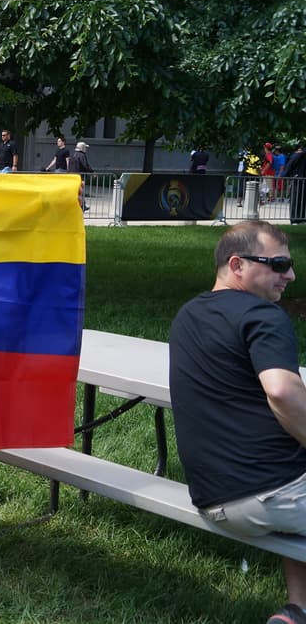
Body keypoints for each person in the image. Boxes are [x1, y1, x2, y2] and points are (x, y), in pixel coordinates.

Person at [168, 221, 306, 624]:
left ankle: (297, 609)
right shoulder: (263, 315)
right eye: (278, 264)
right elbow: (281, 391)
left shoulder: (189, 314)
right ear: (237, 264)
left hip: (211, 495)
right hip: (268, 497)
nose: (290, 275)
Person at [69, 141, 94, 211]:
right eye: (85, 147)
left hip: (73, 176)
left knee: (77, 191)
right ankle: (82, 205)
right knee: (81, 191)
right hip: (81, 176)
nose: (85, 149)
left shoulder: (74, 154)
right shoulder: (82, 155)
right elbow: (85, 165)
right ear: (82, 148)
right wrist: (92, 172)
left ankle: (80, 204)